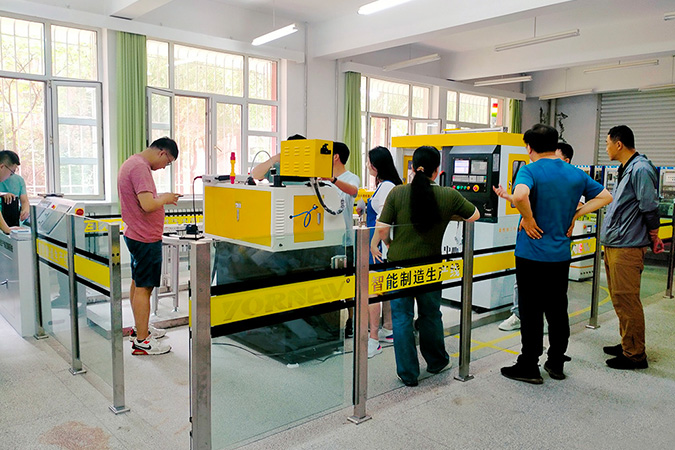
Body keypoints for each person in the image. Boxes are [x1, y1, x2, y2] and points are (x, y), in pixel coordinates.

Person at [500, 124, 612, 384]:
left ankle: (529, 364)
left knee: (530, 311)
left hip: (531, 253)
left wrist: (528, 219)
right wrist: (575, 214)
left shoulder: (529, 170)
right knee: (557, 309)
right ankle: (556, 361)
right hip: (560, 254)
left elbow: (520, 195)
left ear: (529, 147)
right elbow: (605, 196)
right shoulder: (575, 173)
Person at [373, 146, 479, 386]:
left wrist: (389, 244)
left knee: (402, 318)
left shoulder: (398, 192)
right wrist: (449, 215)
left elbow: (382, 229)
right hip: (430, 267)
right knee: (431, 314)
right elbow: (474, 215)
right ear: (438, 170)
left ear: (412, 167)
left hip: (399, 267)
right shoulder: (448, 195)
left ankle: (408, 373)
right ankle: (437, 362)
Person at [601, 125, 663, 370]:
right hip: (617, 242)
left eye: (607, 143)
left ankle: (635, 354)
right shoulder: (626, 168)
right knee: (619, 298)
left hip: (627, 245)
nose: (606, 148)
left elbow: (649, 206)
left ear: (619, 144)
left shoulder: (640, 169)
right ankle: (628, 342)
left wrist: (655, 234)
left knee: (627, 299)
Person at [497, 141, 576, 332]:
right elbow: (522, 197)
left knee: (551, 292)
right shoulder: (536, 175)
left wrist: (573, 217)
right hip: (530, 245)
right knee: (524, 288)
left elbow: (581, 203)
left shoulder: (570, 179)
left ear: (565, 161)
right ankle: (519, 315)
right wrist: (508, 197)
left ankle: (545, 324)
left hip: (552, 248)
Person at [119, 137, 181, 356]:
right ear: (162, 153)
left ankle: (140, 329)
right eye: (167, 162)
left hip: (137, 234)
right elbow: (147, 205)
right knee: (144, 288)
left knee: (138, 284)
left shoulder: (133, 163)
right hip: (145, 238)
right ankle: (142, 342)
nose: (164, 167)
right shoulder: (140, 167)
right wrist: (165, 198)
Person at [365, 146, 402, 358]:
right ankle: (388, 328)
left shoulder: (387, 186)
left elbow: (383, 220)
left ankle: (373, 339)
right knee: (384, 287)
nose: (367, 165)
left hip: (378, 248)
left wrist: (374, 244)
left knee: (373, 290)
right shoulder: (385, 185)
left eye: (369, 161)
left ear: (376, 165)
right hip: (381, 246)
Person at [0, 150, 29, 227]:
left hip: (12, 221)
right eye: (12, 171)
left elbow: (24, 201)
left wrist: (25, 211)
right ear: (2, 167)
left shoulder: (19, 180)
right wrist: (8, 230)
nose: (12, 174)